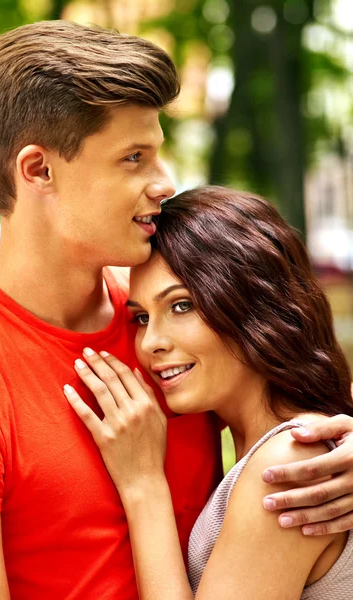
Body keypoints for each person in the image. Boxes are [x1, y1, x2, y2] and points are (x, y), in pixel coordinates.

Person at [0, 21, 352, 600]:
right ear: (39, 170)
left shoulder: (172, 326)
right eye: (133, 157)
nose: (164, 182)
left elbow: (282, 412)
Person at [65, 186, 353, 599]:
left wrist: (143, 485)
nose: (150, 343)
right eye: (142, 317)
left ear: (255, 303)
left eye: (181, 306)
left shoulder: (291, 462)